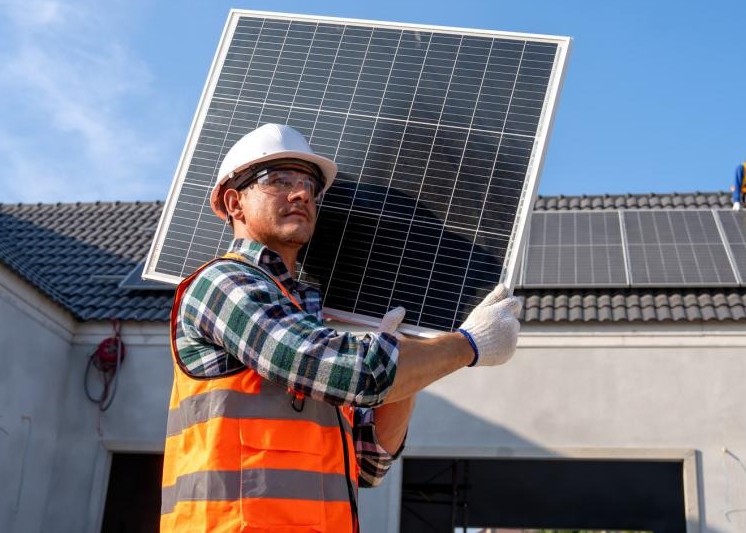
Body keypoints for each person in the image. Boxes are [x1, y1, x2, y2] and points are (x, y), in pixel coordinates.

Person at [160, 123, 523, 533]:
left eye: (309, 186)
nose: (301, 194)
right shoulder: (223, 284)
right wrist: (468, 345)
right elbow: (354, 374)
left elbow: (370, 462)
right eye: (278, 180)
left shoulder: (308, 319)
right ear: (235, 202)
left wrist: (408, 346)